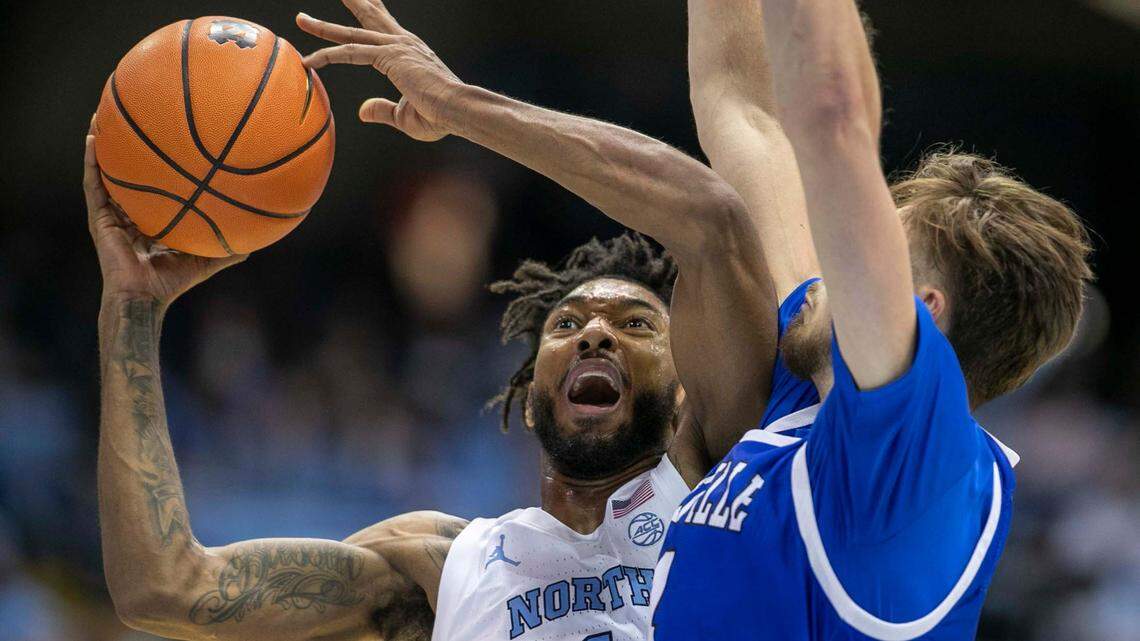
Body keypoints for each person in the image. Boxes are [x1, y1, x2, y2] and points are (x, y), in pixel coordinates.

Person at [87, 2, 788, 640]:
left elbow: (710, 218)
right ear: (529, 394)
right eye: (566, 324)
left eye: (635, 325)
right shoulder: (444, 565)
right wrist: (132, 310)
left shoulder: (728, 482)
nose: (594, 332)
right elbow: (166, 588)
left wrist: (459, 106)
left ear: (686, 393)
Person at [649, 0, 1094, 639]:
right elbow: (744, 109)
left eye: (851, 266)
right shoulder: (817, 388)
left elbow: (833, 116)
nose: (826, 269)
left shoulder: (912, 461)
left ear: (923, 313)